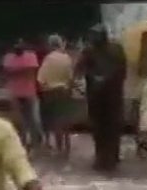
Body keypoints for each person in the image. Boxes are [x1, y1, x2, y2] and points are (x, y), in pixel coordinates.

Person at [76, 24, 127, 172]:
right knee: (98, 127)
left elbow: (122, 69)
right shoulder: (89, 51)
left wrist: (106, 78)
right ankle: (101, 156)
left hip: (113, 94)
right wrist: (94, 77)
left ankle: (112, 156)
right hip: (95, 95)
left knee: (113, 126)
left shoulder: (116, 49)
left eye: (96, 35)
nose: (93, 38)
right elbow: (81, 68)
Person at [38, 34, 74, 157]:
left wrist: (44, 87)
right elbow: (70, 77)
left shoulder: (48, 59)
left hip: (50, 92)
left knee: (55, 120)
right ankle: (67, 145)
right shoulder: (67, 58)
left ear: (50, 45)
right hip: (64, 90)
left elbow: (40, 79)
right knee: (65, 118)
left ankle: (59, 147)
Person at [2, 39, 44, 149]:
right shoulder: (8, 57)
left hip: (29, 92)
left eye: (20, 45)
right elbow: (7, 74)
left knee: (33, 119)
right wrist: (22, 71)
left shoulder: (31, 56)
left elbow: (30, 73)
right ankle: (22, 141)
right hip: (15, 92)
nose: (18, 47)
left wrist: (14, 72)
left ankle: (36, 142)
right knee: (18, 119)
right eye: (16, 45)